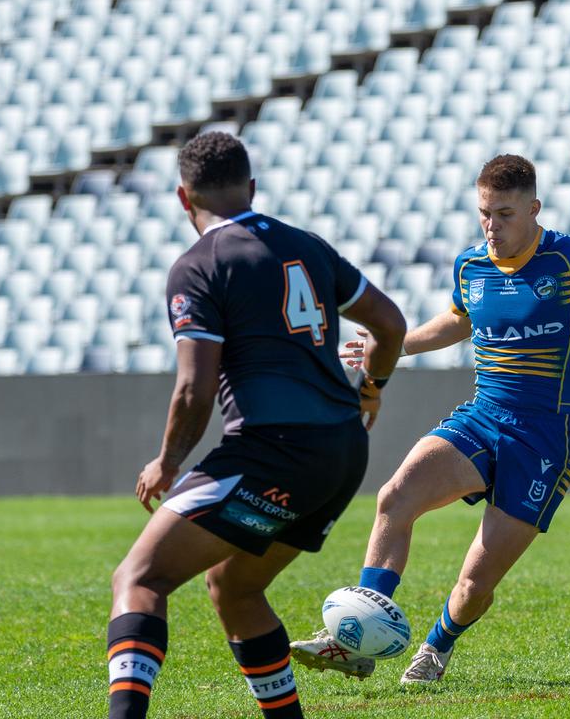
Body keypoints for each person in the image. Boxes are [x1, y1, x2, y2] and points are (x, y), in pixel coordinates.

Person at [291, 154, 570, 684]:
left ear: (534, 209)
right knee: (396, 497)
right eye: (484, 213)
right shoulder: (471, 265)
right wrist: (392, 345)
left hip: (546, 438)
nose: (492, 225)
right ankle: (354, 638)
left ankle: (437, 646)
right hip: (482, 417)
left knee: (473, 586)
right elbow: (457, 322)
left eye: (504, 214)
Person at [106, 132, 406, 719]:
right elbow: (389, 324)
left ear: (181, 197)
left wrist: (167, 463)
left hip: (272, 449)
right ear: (252, 187)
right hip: (342, 454)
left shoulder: (199, 265)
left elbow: (194, 388)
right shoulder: (307, 246)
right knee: (235, 588)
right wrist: (371, 389)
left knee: (139, 577)